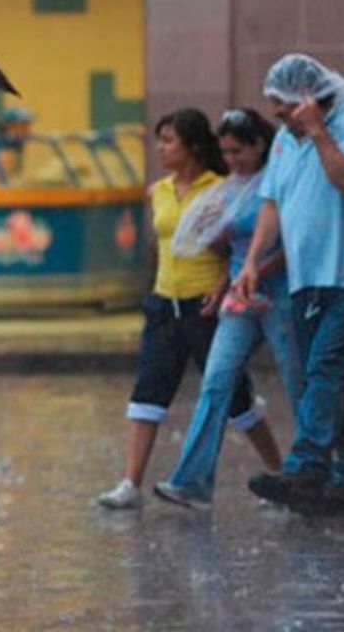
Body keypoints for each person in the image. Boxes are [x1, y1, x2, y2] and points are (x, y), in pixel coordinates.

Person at [232, 54, 344, 517]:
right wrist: (252, 262)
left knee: (324, 367)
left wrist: (320, 132)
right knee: (332, 376)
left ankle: (307, 467)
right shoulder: (284, 143)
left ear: (308, 98)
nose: (276, 114)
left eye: (283, 105)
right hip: (307, 278)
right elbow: (271, 204)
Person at [97, 109, 280, 511]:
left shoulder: (222, 189)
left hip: (205, 305)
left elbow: (230, 248)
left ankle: (278, 469)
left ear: (193, 146)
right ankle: (130, 483)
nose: (160, 149)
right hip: (164, 302)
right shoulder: (158, 191)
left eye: (169, 141)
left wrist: (222, 284)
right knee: (148, 391)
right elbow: (160, 246)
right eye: (159, 140)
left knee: (236, 397)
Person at [154, 108, 295, 510]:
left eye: (239, 152)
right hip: (239, 297)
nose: (232, 161)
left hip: (278, 294)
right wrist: (211, 230)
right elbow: (222, 247)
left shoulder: (278, 183)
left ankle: (311, 470)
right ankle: (193, 481)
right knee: (216, 381)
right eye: (226, 153)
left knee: (297, 381)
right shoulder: (230, 189)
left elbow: (293, 243)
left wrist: (256, 270)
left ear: (259, 145)